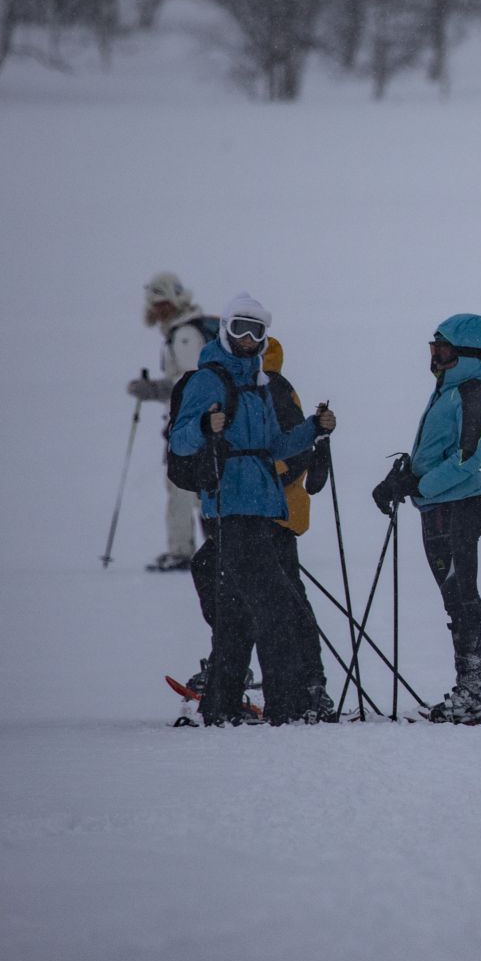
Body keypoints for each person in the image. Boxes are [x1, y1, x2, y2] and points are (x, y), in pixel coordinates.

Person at [169, 294, 337, 726]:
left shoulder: (259, 384)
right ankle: (288, 707)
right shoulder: (209, 380)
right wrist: (206, 427)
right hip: (231, 508)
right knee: (276, 609)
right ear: (225, 329)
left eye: (256, 330)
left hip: (262, 509)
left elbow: (275, 447)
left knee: (237, 614)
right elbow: (180, 440)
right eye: (240, 328)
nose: (247, 338)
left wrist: (312, 430)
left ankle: (221, 707)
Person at [373, 313, 481, 724]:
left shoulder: (474, 394)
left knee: (462, 597)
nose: (434, 355)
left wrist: (420, 485)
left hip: (461, 508)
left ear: (465, 354)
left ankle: (478, 694)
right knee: (459, 598)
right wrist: (402, 478)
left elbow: (468, 458)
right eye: (433, 347)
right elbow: (434, 452)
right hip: (437, 511)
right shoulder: (445, 393)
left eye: (443, 348)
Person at [129, 272, 218, 572]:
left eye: (163, 303)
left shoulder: (184, 336)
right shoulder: (187, 331)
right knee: (197, 489)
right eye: (156, 303)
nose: (159, 310)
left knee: (181, 488)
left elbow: (192, 382)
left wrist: (153, 390)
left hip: (191, 426)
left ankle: (182, 551)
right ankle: (209, 547)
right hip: (196, 425)